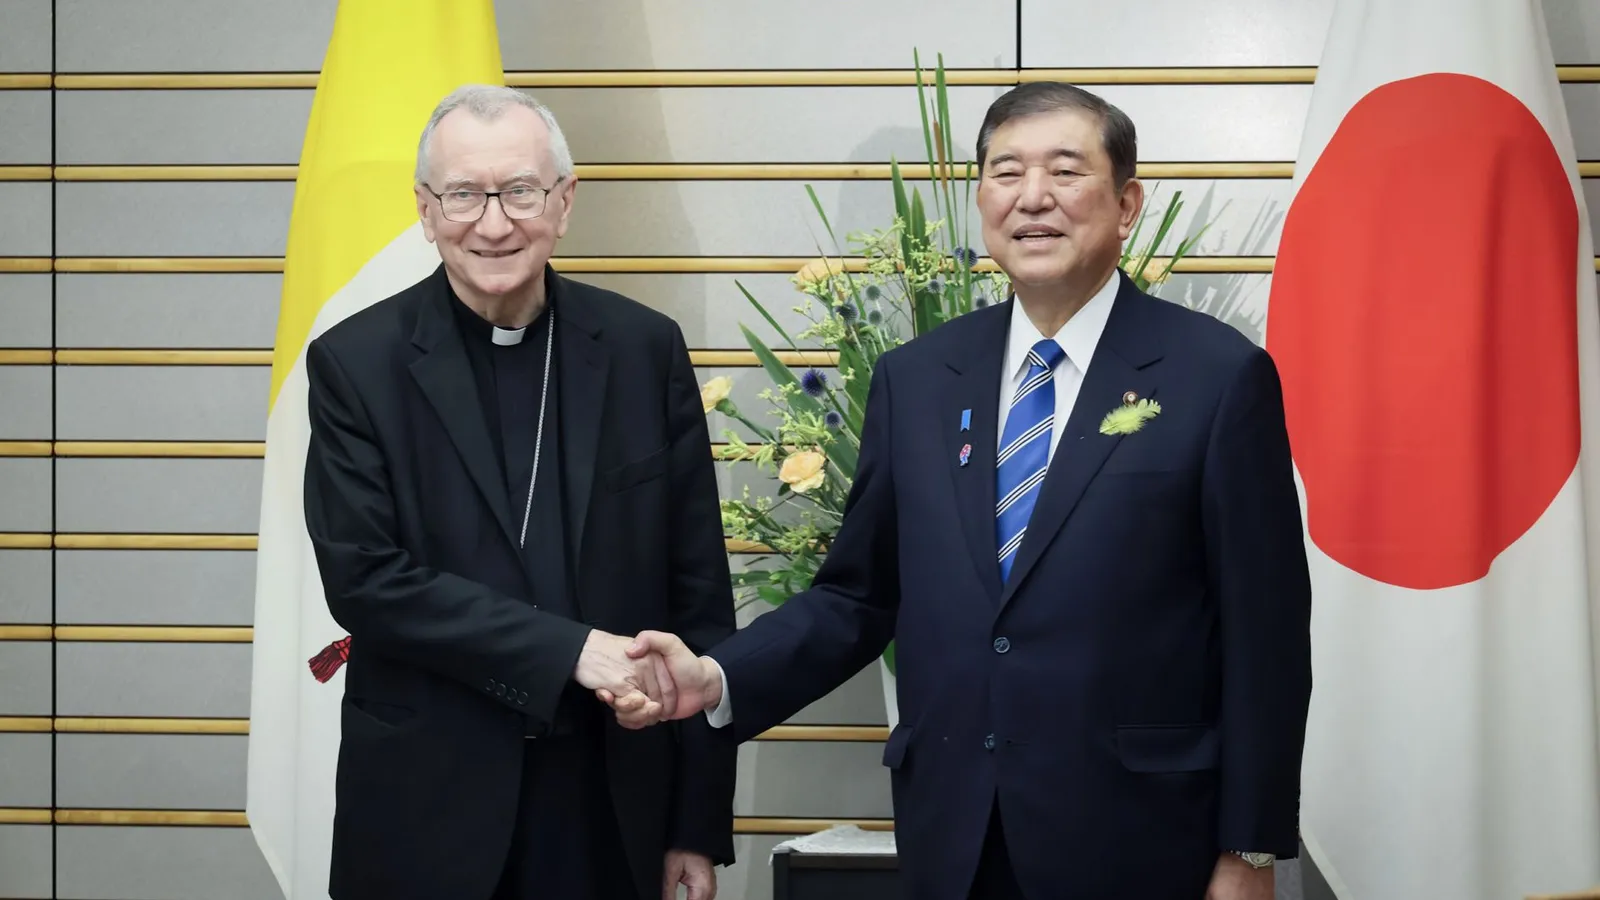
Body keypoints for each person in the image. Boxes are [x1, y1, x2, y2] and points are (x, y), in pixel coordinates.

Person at [603, 82, 1313, 900]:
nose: (1032, 197)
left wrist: (1249, 850)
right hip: (956, 836)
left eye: (1065, 171)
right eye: (1006, 172)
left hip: (1142, 841)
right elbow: (857, 596)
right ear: (981, 201)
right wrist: (719, 677)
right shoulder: (918, 380)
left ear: (1126, 206)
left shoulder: (1216, 377)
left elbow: (1264, 637)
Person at [301, 84, 735, 900]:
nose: (494, 223)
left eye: (521, 192)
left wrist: (697, 823)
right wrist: (570, 651)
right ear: (425, 210)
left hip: (609, 805)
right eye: (464, 195)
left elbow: (699, 596)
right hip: (428, 808)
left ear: (564, 202)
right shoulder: (356, 364)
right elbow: (365, 580)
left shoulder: (643, 351)